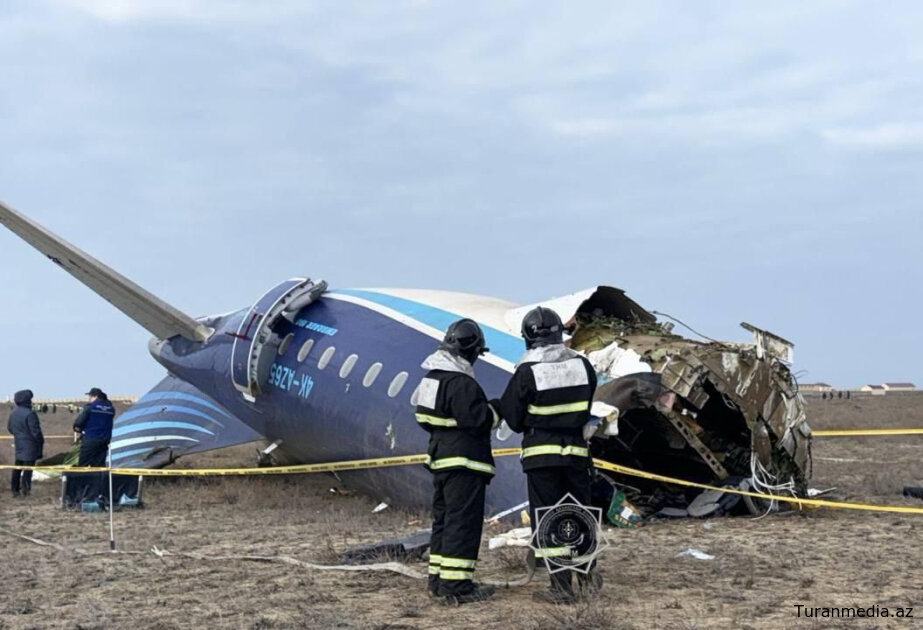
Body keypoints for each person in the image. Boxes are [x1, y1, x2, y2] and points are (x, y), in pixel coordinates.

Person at [495, 306, 602, 604]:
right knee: (580, 513)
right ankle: (588, 573)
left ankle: (562, 588)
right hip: (577, 455)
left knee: (550, 519)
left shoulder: (527, 371)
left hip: (543, 458)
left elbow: (513, 418)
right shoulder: (582, 366)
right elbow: (586, 406)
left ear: (529, 338)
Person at [415, 319, 498, 604]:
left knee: (444, 521)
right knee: (463, 523)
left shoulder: (431, 379)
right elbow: (479, 421)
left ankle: (437, 581)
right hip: (465, 463)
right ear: (472, 350)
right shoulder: (462, 383)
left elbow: (422, 418)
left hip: (440, 460)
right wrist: (496, 410)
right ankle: (457, 587)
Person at [7, 389, 43, 497]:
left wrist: (19, 435)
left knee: (17, 467)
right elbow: (35, 431)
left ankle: (14, 489)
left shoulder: (13, 413)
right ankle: (26, 490)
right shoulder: (30, 413)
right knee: (28, 469)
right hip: (30, 445)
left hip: (19, 443)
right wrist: (40, 441)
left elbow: (9, 428)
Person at [73, 387, 115, 466]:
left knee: (83, 465)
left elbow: (78, 423)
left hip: (90, 439)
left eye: (90, 396)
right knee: (99, 466)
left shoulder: (90, 407)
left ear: (95, 397)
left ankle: (82, 478)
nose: (89, 399)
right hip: (104, 441)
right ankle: (98, 478)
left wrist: (79, 429)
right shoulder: (111, 409)